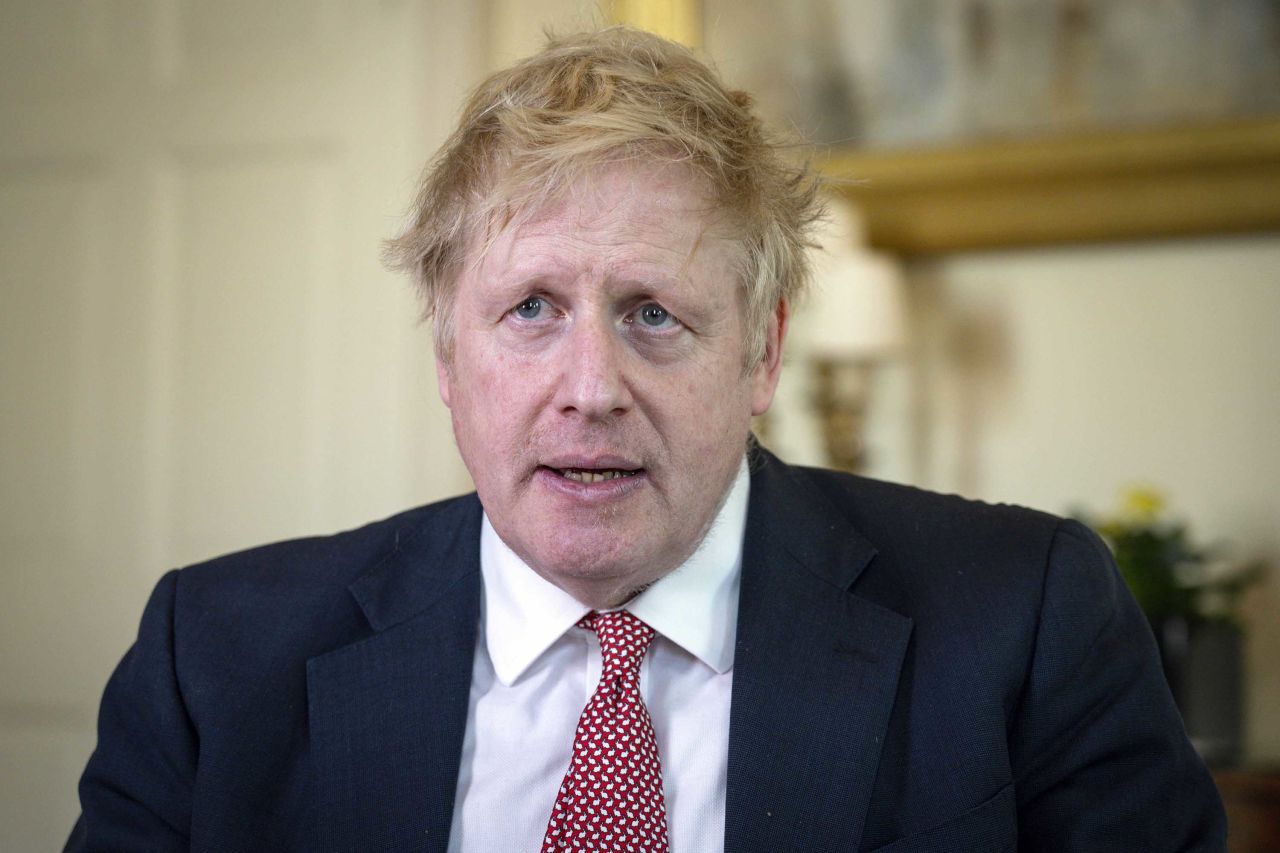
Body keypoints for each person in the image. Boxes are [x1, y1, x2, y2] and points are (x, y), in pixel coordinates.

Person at [67, 27, 1225, 852]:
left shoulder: (1025, 615)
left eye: (653, 315)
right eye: (529, 310)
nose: (590, 389)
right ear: (445, 354)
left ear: (761, 354)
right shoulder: (213, 658)